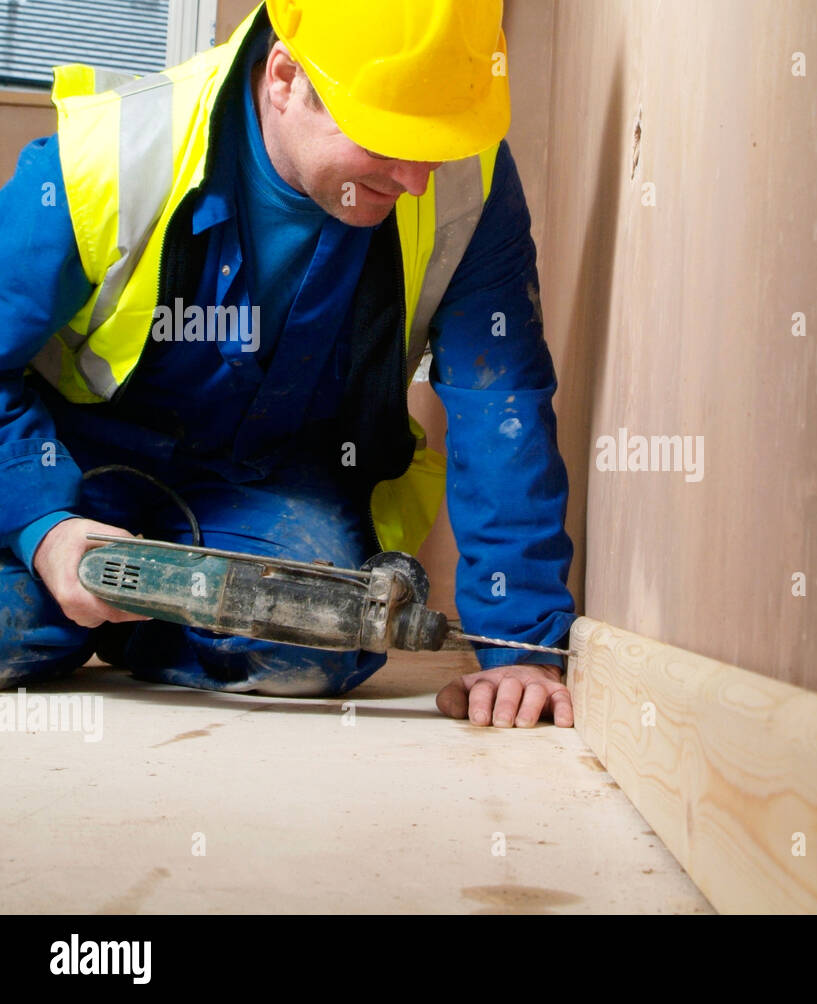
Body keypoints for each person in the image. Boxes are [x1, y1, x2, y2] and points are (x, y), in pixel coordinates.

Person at [0, 0, 576, 728]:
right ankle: (78, 597)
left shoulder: (468, 184)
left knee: (322, 636)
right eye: (389, 140)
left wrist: (521, 647)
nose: (417, 180)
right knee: (10, 624)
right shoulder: (113, 158)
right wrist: (43, 527)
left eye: (432, 145)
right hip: (69, 467)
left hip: (263, 486)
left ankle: (131, 623)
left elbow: (504, 404)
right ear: (283, 77)